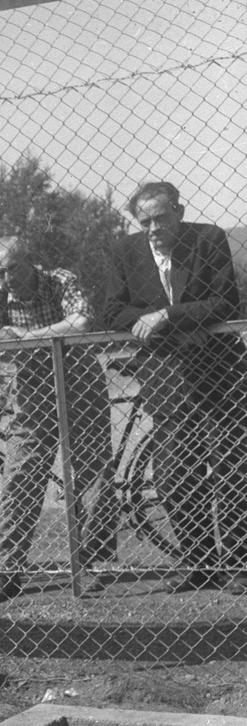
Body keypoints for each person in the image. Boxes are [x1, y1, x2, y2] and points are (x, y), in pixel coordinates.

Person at [0, 236, 117, 603]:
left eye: (12, 268)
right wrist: (3, 335)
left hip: (79, 383)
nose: (7, 278)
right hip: (33, 391)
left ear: (30, 262)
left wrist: (28, 337)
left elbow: (81, 320)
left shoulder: (60, 281)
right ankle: (8, 571)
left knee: (93, 473)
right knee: (20, 477)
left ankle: (92, 565)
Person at [104, 181, 247, 593]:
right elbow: (112, 309)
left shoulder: (208, 239)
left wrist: (165, 315)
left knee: (231, 468)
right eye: (144, 220)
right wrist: (142, 321)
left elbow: (224, 303)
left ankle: (238, 563)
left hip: (218, 372)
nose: (152, 228)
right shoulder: (125, 251)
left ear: (178, 213)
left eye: (161, 218)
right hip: (165, 375)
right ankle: (199, 563)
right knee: (173, 475)